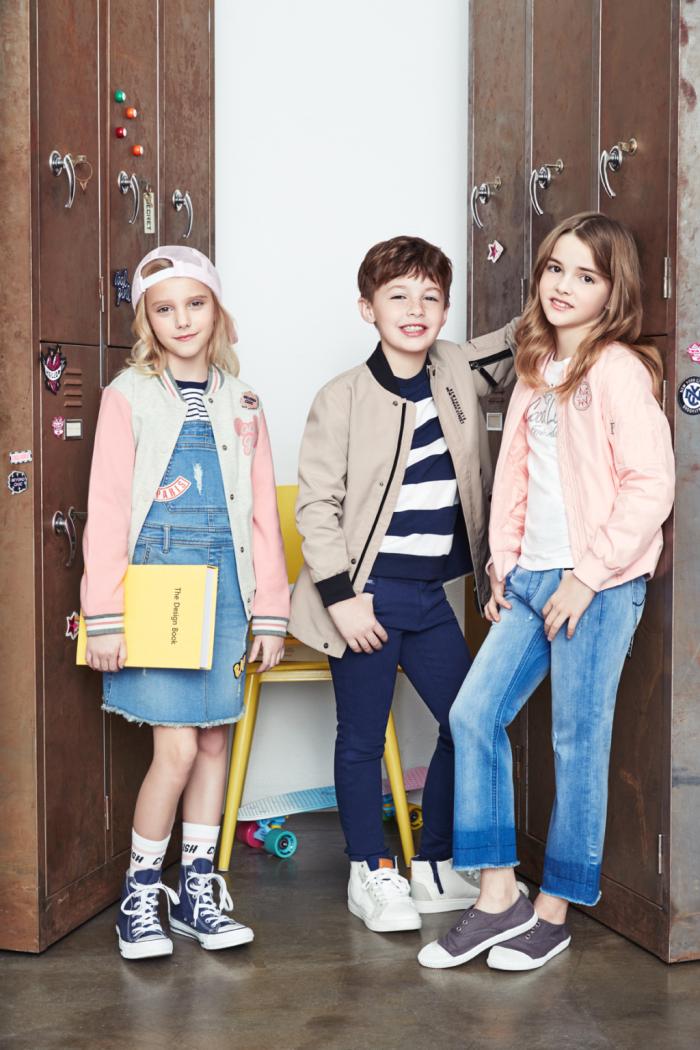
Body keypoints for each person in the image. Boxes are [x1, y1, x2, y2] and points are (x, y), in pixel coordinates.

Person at [419, 213, 675, 971]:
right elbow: (517, 481)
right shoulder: (536, 367)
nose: (563, 286)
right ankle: (499, 896)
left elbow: (651, 487)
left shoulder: (620, 370)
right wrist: (502, 566)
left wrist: (586, 577)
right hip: (531, 578)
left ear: (612, 292)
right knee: (473, 714)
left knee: (577, 742)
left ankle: (555, 910)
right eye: (555, 269)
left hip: (597, 585)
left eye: (585, 276)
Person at [289, 235, 520, 932]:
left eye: (430, 297)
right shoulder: (341, 397)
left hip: (429, 597)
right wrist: (342, 602)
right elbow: (316, 508)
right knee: (361, 738)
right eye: (397, 296)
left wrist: (568, 285)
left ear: (445, 310)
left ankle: (435, 863)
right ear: (368, 308)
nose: (415, 309)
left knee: (468, 720)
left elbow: (524, 339)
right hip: (365, 596)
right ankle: (369, 870)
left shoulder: (456, 368)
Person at [80, 246, 289, 960]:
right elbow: (108, 508)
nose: (182, 320)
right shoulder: (127, 396)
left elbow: (260, 515)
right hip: (157, 590)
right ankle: (140, 895)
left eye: (195, 304)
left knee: (213, 742)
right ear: (148, 320)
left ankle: (196, 892)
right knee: (173, 749)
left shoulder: (244, 401)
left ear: (217, 309)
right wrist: (105, 616)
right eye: (164, 309)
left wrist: (270, 613)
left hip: (227, 589)